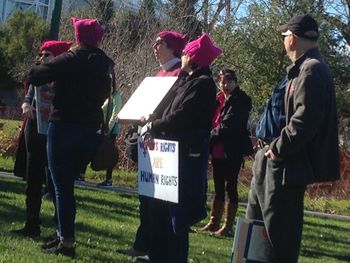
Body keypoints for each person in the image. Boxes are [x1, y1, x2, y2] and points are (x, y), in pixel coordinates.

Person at [246, 14, 340, 263]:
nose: (283, 41)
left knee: (279, 240)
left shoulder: (312, 70)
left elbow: (305, 120)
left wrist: (277, 149)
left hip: (285, 169)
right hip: (270, 163)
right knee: (254, 234)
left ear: (293, 38)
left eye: (284, 36)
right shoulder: (302, 69)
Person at [28, 17, 114, 258]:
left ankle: (66, 241)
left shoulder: (71, 58)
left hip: (63, 125)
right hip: (90, 130)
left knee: (61, 186)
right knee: (67, 186)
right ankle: (60, 233)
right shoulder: (106, 63)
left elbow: (35, 76)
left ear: (78, 37)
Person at [141, 33, 222, 263]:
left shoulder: (203, 84)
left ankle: (174, 257)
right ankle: (158, 255)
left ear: (193, 57)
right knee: (161, 211)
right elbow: (166, 109)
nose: (183, 55)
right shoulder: (188, 80)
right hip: (171, 155)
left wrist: (155, 124)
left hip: (186, 157)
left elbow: (181, 116)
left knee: (178, 215)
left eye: (186, 53)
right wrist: (152, 122)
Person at [119, 31, 188, 260]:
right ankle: (143, 243)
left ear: (172, 48)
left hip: (164, 146)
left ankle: (152, 247)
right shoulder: (160, 74)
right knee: (146, 199)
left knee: (158, 203)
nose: (154, 47)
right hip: (147, 141)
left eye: (159, 44)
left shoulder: (178, 75)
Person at [13, 40, 72, 237]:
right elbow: (29, 97)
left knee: (55, 181)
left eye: (47, 54)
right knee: (33, 178)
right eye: (42, 54)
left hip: (55, 132)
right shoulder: (39, 76)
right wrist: (26, 106)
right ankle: (31, 223)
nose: (43, 58)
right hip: (34, 129)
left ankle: (60, 229)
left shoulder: (66, 79)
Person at [201, 69, 252, 236]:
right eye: (222, 82)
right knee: (217, 185)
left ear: (235, 82)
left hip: (232, 149)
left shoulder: (241, 101)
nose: (225, 85)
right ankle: (214, 221)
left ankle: (228, 225)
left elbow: (228, 126)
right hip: (217, 148)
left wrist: (207, 137)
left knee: (231, 186)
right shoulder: (218, 100)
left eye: (229, 81)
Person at [98, 81, 122, 187]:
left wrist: (109, 128)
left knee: (109, 153)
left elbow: (115, 114)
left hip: (111, 130)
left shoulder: (116, 96)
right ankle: (81, 173)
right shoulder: (108, 96)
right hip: (103, 128)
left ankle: (109, 179)